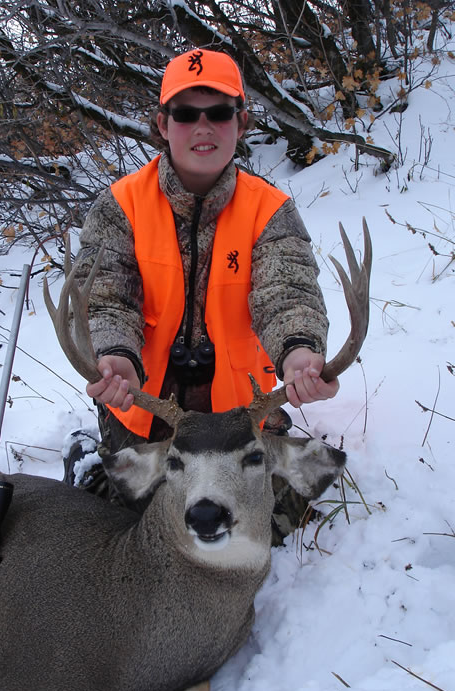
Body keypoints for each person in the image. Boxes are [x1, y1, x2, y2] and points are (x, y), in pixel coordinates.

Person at [63, 48, 338, 538]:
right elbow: (104, 296)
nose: (203, 127)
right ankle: (91, 460)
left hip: (240, 412)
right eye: (187, 114)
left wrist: (299, 352)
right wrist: (114, 355)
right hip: (148, 408)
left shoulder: (270, 211)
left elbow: (286, 290)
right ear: (163, 124)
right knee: (145, 529)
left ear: (242, 121)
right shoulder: (119, 206)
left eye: (219, 112)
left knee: (260, 528)